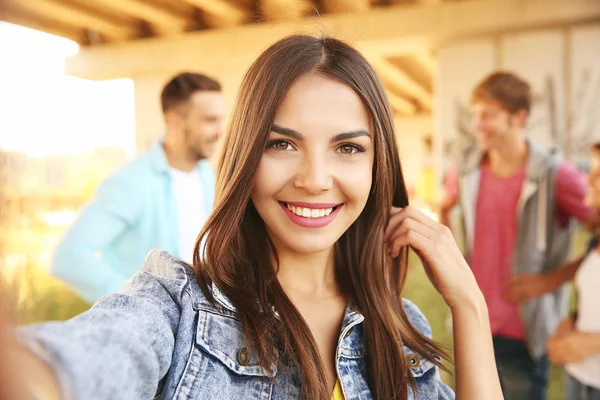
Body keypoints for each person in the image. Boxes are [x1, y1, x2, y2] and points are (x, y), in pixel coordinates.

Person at [11, 35, 503, 400]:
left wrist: (470, 305)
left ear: (378, 169)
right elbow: (75, 365)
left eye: (348, 148)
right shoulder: (173, 309)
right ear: (246, 155)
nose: (314, 179)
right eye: (281, 143)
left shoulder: (398, 328)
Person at [439, 71, 594, 400]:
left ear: (518, 117)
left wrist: (549, 282)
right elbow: (445, 210)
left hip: (523, 331)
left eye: (488, 115)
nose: (478, 124)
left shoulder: (557, 176)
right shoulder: (465, 171)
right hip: (469, 321)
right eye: (476, 114)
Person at [51, 72, 225, 302]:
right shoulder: (132, 182)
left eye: (221, 120)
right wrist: (135, 301)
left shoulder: (211, 178)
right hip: (151, 330)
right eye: (210, 120)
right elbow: (69, 257)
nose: (220, 131)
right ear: (174, 119)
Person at [544, 143, 600, 400]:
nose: (589, 178)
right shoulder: (595, 238)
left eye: (599, 173)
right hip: (578, 379)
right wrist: (570, 324)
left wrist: (581, 344)